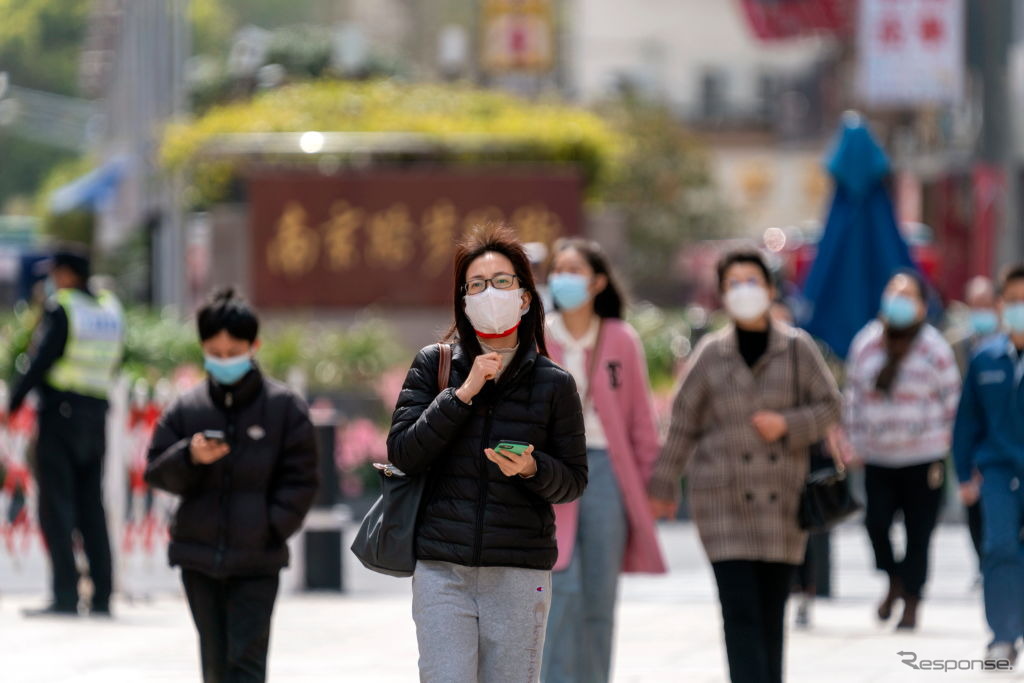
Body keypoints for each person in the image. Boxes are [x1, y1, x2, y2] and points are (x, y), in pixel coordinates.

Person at [387, 225, 587, 683]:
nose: (488, 293)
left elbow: (574, 479)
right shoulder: (434, 365)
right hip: (442, 569)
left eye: (501, 282)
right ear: (463, 300)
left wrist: (534, 467)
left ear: (524, 297)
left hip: (519, 573)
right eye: (476, 285)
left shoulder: (554, 383)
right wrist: (462, 394)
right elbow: (403, 451)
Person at [648, 249, 841, 683]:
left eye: (752, 281)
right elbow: (682, 423)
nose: (744, 291)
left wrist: (787, 424)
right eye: (733, 284)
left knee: (772, 616)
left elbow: (830, 406)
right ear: (722, 294)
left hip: (782, 504)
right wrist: (662, 485)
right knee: (739, 613)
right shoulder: (711, 354)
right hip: (722, 503)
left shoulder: (797, 348)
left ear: (771, 289)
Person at [145, 288, 318, 682]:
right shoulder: (186, 408)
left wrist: (270, 527)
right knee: (215, 666)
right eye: (215, 353)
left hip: (256, 560)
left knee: (246, 664)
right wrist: (190, 456)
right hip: (198, 558)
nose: (223, 361)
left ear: (253, 346)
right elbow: (156, 470)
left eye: (232, 352)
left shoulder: (284, 408)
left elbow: (303, 479)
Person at [541, 238, 666, 683]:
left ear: (597, 282)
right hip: (552, 474)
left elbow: (641, 423)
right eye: (558, 270)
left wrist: (653, 486)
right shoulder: (538, 335)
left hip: (608, 474)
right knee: (558, 592)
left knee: (599, 596)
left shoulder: (620, 339)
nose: (563, 279)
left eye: (574, 270)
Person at [8, 246, 124, 617]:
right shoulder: (108, 309)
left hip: (60, 416)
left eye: (55, 273)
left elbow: (41, 360)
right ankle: (103, 594)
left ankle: (65, 595)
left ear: (69, 274)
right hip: (96, 416)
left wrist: (13, 401)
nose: (51, 281)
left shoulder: (65, 307)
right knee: (91, 505)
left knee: (57, 508)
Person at [844, 270, 960, 631]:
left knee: (919, 533)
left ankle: (912, 600)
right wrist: (854, 441)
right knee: (874, 523)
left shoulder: (934, 348)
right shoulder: (867, 343)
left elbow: (951, 401)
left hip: (923, 458)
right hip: (877, 456)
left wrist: (941, 443)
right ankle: (893, 578)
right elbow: (853, 397)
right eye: (893, 292)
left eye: (907, 295)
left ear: (923, 306)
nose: (898, 300)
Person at [953, 264, 1024, 667]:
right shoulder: (985, 359)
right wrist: (963, 473)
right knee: (998, 548)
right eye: (1013, 301)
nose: (1020, 309)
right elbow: (967, 422)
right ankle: (1003, 634)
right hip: (997, 472)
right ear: (1000, 306)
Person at [950, 276, 1000, 575]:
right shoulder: (957, 347)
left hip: (1002, 445)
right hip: (971, 440)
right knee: (975, 512)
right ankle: (984, 567)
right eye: (974, 305)